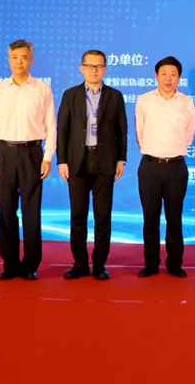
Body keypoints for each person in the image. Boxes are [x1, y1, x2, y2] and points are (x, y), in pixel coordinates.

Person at [0, 39, 56, 281]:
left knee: (31, 211)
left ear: (31, 60)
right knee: (6, 209)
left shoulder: (42, 88)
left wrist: (47, 157)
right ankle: (10, 263)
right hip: (5, 152)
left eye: (24, 57)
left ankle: (30, 265)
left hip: (33, 152)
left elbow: (51, 126)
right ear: (8, 60)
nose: (19, 62)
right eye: (14, 58)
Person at [56, 50, 127, 281]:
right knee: (77, 215)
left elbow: (121, 130)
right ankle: (79, 263)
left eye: (98, 66)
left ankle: (99, 264)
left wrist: (121, 159)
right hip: (77, 161)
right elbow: (62, 130)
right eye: (89, 66)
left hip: (105, 161)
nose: (94, 70)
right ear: (81, 68)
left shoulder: (115, 96)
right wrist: (62, 160)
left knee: (102, 216)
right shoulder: (70, 95)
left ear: (105, 69)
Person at [135, 56, 195, 278]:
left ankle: (174, 264)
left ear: (179, 77)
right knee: (150, 218)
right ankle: (151, 264)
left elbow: (189, 134)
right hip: (150, 166)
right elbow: (140, 133)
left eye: (173, 74)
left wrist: (172, 149)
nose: (168, 78)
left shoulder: (186, 103)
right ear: (156, 76)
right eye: (164, 74)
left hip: (176, 167)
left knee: (174, 218)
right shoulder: (144, 100)